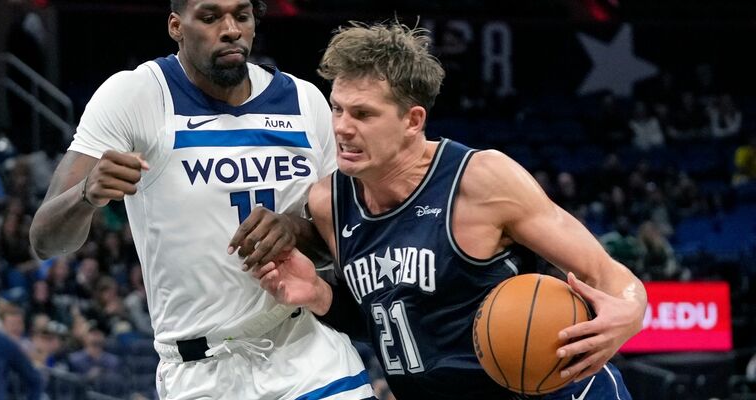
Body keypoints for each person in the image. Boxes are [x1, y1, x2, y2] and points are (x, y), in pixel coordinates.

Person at [251, 22, 646, 399]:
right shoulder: (328, 202)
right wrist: (321, 296)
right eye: (337, 109)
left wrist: (629, 312)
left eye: (363, 114)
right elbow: (397, 330)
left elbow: (607, 273)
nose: (341, 127)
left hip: (554, 392)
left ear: (413, 119)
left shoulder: (481, 180)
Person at [28, 0, 374, 399]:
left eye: (241, 16)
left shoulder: (304, 100)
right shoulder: (136, 95)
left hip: (308, 352)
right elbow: (45, 240)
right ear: (176, 26)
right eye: (210, 18)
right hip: (201, 372)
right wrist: (86, 195)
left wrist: (293, 229)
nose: (230, 29)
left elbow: (347, 240)